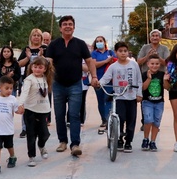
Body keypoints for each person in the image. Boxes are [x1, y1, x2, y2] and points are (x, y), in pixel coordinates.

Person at [46, 15, 98, 157]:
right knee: (59, 114)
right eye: (65, 24)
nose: (67, 26)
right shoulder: (54, 45)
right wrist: (45, 80)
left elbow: (89, 61)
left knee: (75, 115)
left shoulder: (80, 44)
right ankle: (62, 141)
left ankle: (75, 144)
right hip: (58, 85)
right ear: (60, 28)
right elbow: (48, 63)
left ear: (74, 27)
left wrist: (94, 77)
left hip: (75, 85)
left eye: (70, 24)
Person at [99, 41, 142, 153]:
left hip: (132, 97)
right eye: (120, 51)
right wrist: (99, 83)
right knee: (120, 119)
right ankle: (119, 140)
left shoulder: (134, 64)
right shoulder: (113, 67)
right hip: (119, 97)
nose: (123, 53)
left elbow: (139, 80)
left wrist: (139, 94)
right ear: (116, 53)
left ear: (128, 52)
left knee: (131, 121)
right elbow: (105, 78)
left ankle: (128, 142)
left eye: (125, 51)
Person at [18, 56, 53, 166]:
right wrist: (20, 104)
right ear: (31, 67)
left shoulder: (45, 79)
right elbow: (24, 92)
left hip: (43, 110)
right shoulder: (29, 79)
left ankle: (42, 146)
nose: (37, 69)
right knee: (31, 134)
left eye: (40, 67)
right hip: (31, 110)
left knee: (44, 134)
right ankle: (32, 156)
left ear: (45, 69)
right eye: (35, 67)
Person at [136, 29, 170, 130]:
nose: (155, 37)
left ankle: (155, 123)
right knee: (145, 98)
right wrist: (148, 56)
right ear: (150, 38)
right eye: (153, 36)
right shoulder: (145, 47)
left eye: (157, 36)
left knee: (157, 97)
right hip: (147, 75)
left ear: (160, 38)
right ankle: (145, 122)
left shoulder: (164, 48)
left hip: (159, 76)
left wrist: (157, 57)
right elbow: (139, 61)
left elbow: (167, 63)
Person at [0, 76, 22, 175]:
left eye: (11, 88)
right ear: (0, 88)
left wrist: (21, 110)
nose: (9, 91)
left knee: (9, 145)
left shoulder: (13, 99)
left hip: (8, 129)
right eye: (6, 88)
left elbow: (16, 111)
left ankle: (12, 157)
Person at [17, 28, 47, 137]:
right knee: (25, 103)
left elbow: (49, 64)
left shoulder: (44, 48)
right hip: (28, 81)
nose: (36, 37)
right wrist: (28, 57)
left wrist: (41, 56)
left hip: (41, 82)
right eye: (34, 35)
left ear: (41, 38)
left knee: (39, 104)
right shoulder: (26, 49)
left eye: (38, 35)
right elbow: (19, 64)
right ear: (31, 37)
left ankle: (39, 127)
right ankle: (25, 128)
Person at [140, 54, 169, 151]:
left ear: (160, 64)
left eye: (157, 64)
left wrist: (165, 79)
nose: (154, 66)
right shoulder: (144, 74)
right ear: (148, 64)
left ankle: (153, 141)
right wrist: (149, 78)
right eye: (152, 63)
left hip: (159, 102)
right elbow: (143, 88)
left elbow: (166, 87)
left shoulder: (161, 74)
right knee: (148, 120)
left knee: (156, 122)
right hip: (147, 101)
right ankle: (145, 139)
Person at [91, 35, 116, 134]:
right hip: (98, 80)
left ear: (104, 42)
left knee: (108, 100)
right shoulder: (94, 53)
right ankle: (103, 119)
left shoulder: (110, 52)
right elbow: (94, 64)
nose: (99, 42)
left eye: (101, 41)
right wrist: (106, 61)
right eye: (97, 41)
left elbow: (115, 62)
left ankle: (108, 118)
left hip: (109, 81)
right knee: (100, 100)